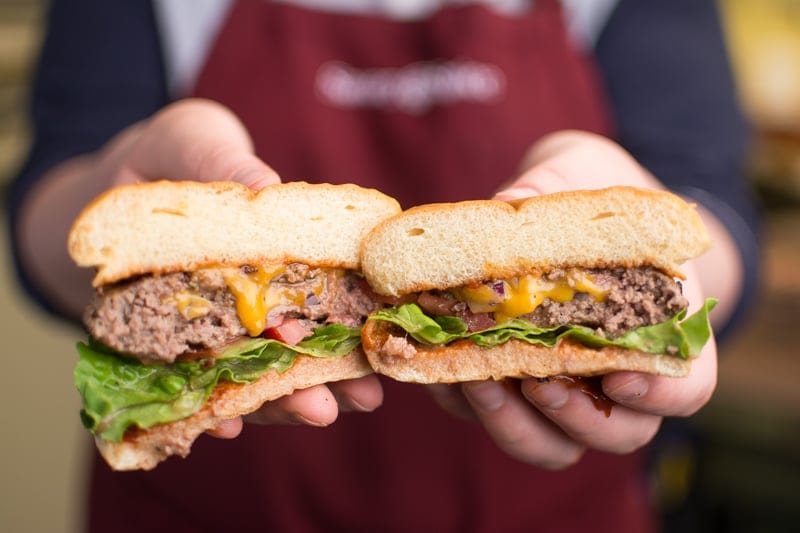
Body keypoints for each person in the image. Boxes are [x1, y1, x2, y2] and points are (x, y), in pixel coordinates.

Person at [8, 0, 760, 531]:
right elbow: (45, 215)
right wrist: (112, 177)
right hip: (203, 510)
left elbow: (710, 209)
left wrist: (684, 278)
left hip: (554, 511)